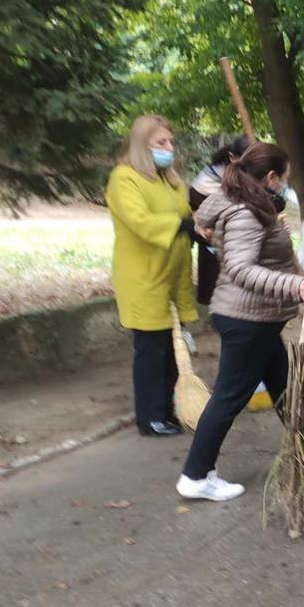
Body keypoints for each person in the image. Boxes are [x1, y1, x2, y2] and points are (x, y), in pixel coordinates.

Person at [176, 143, 304, 501]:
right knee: (228, 396)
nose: (284, 185)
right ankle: (196, 475)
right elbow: (241, 268)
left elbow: (211, 227)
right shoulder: (245, 211)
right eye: (284, 178)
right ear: (270, 178)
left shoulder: (242, 201)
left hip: (258, 317)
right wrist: (295, 284)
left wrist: (274, 230)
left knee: (283, 386)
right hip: (247, 319)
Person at [106, 114, 198, 438]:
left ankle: (169, 409)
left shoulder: (169, 180)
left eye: (170, 142)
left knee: (173, 348)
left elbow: (187, 215)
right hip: (143, 277)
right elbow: (140, 220)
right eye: (161, 143)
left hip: (173, 275)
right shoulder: (124, 178)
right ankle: (149, 417)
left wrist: (198, 229)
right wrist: (183, 226)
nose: (169, 148)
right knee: (151, 349)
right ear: (143, 145)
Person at [189, 136, 251, 305]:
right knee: (216, 288)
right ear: (233, 157)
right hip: (212, 238)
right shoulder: (209, 178)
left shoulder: (245, 175)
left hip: (237, 242)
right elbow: (196, 208)